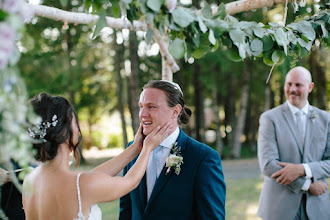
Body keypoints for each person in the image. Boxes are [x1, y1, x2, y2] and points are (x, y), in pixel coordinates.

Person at [22, 92, 171, 220]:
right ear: (64, 133)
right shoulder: (81, 185)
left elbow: (88, 179)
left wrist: (135, 148)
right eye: (75, 122)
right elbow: (130, 182)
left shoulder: (30, 180)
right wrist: (148, 148)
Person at [119, 80, 226, 220]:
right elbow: (126, 210)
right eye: (141, 106)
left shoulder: (203, 157)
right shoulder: (132, 150)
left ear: (175, 111)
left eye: (151, 107)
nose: (143, 114)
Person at [257, 66, 330, 220]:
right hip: (279, 208)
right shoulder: (269, 118)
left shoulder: (325, 119)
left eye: (298, 85)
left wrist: (303, 169)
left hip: (318, 209)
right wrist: (307, 185)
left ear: (310, 87)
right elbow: (268, 164)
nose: (292, 89)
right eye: (289, 84)